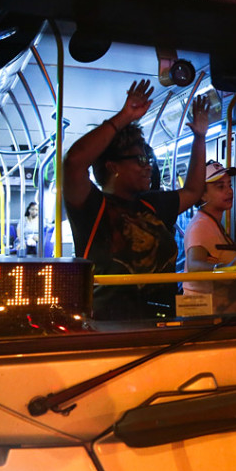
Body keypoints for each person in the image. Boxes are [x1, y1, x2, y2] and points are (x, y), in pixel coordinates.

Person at [63, 80, 209, 320]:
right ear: (113, 166)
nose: (148, 168)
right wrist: (124, 116)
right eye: (140, 161)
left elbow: (193, 191)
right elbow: (74, 162)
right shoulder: (93, 207)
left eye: (149, 161)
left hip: (163, 323)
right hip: (112, 327)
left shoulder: (152, 205)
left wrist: (200, 138)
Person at [182, 161, 236, 313]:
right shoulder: (200, 225)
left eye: (229, 185)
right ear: (202, 194)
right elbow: (194, 265)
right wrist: (226, 269)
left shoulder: (211, 222)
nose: (229, 191)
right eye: (220, 187)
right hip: (207, 319)